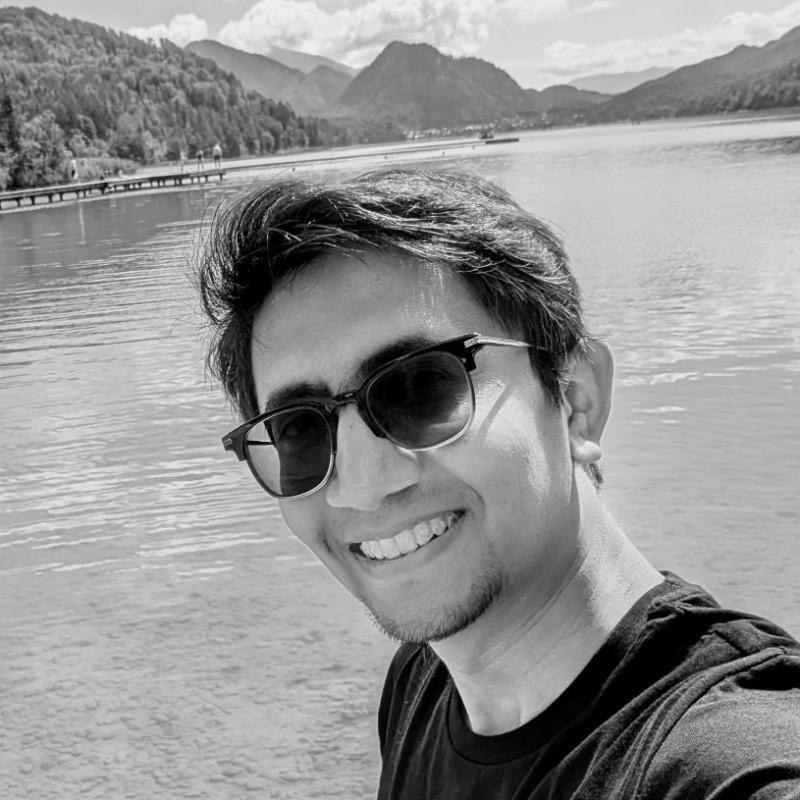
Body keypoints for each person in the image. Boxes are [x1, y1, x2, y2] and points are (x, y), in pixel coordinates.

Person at [197, 168, 800, 798]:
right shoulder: (423, 683)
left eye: (421, 387)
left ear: (576, 398)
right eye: (299, 430)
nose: (363, 486)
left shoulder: (727, 759)